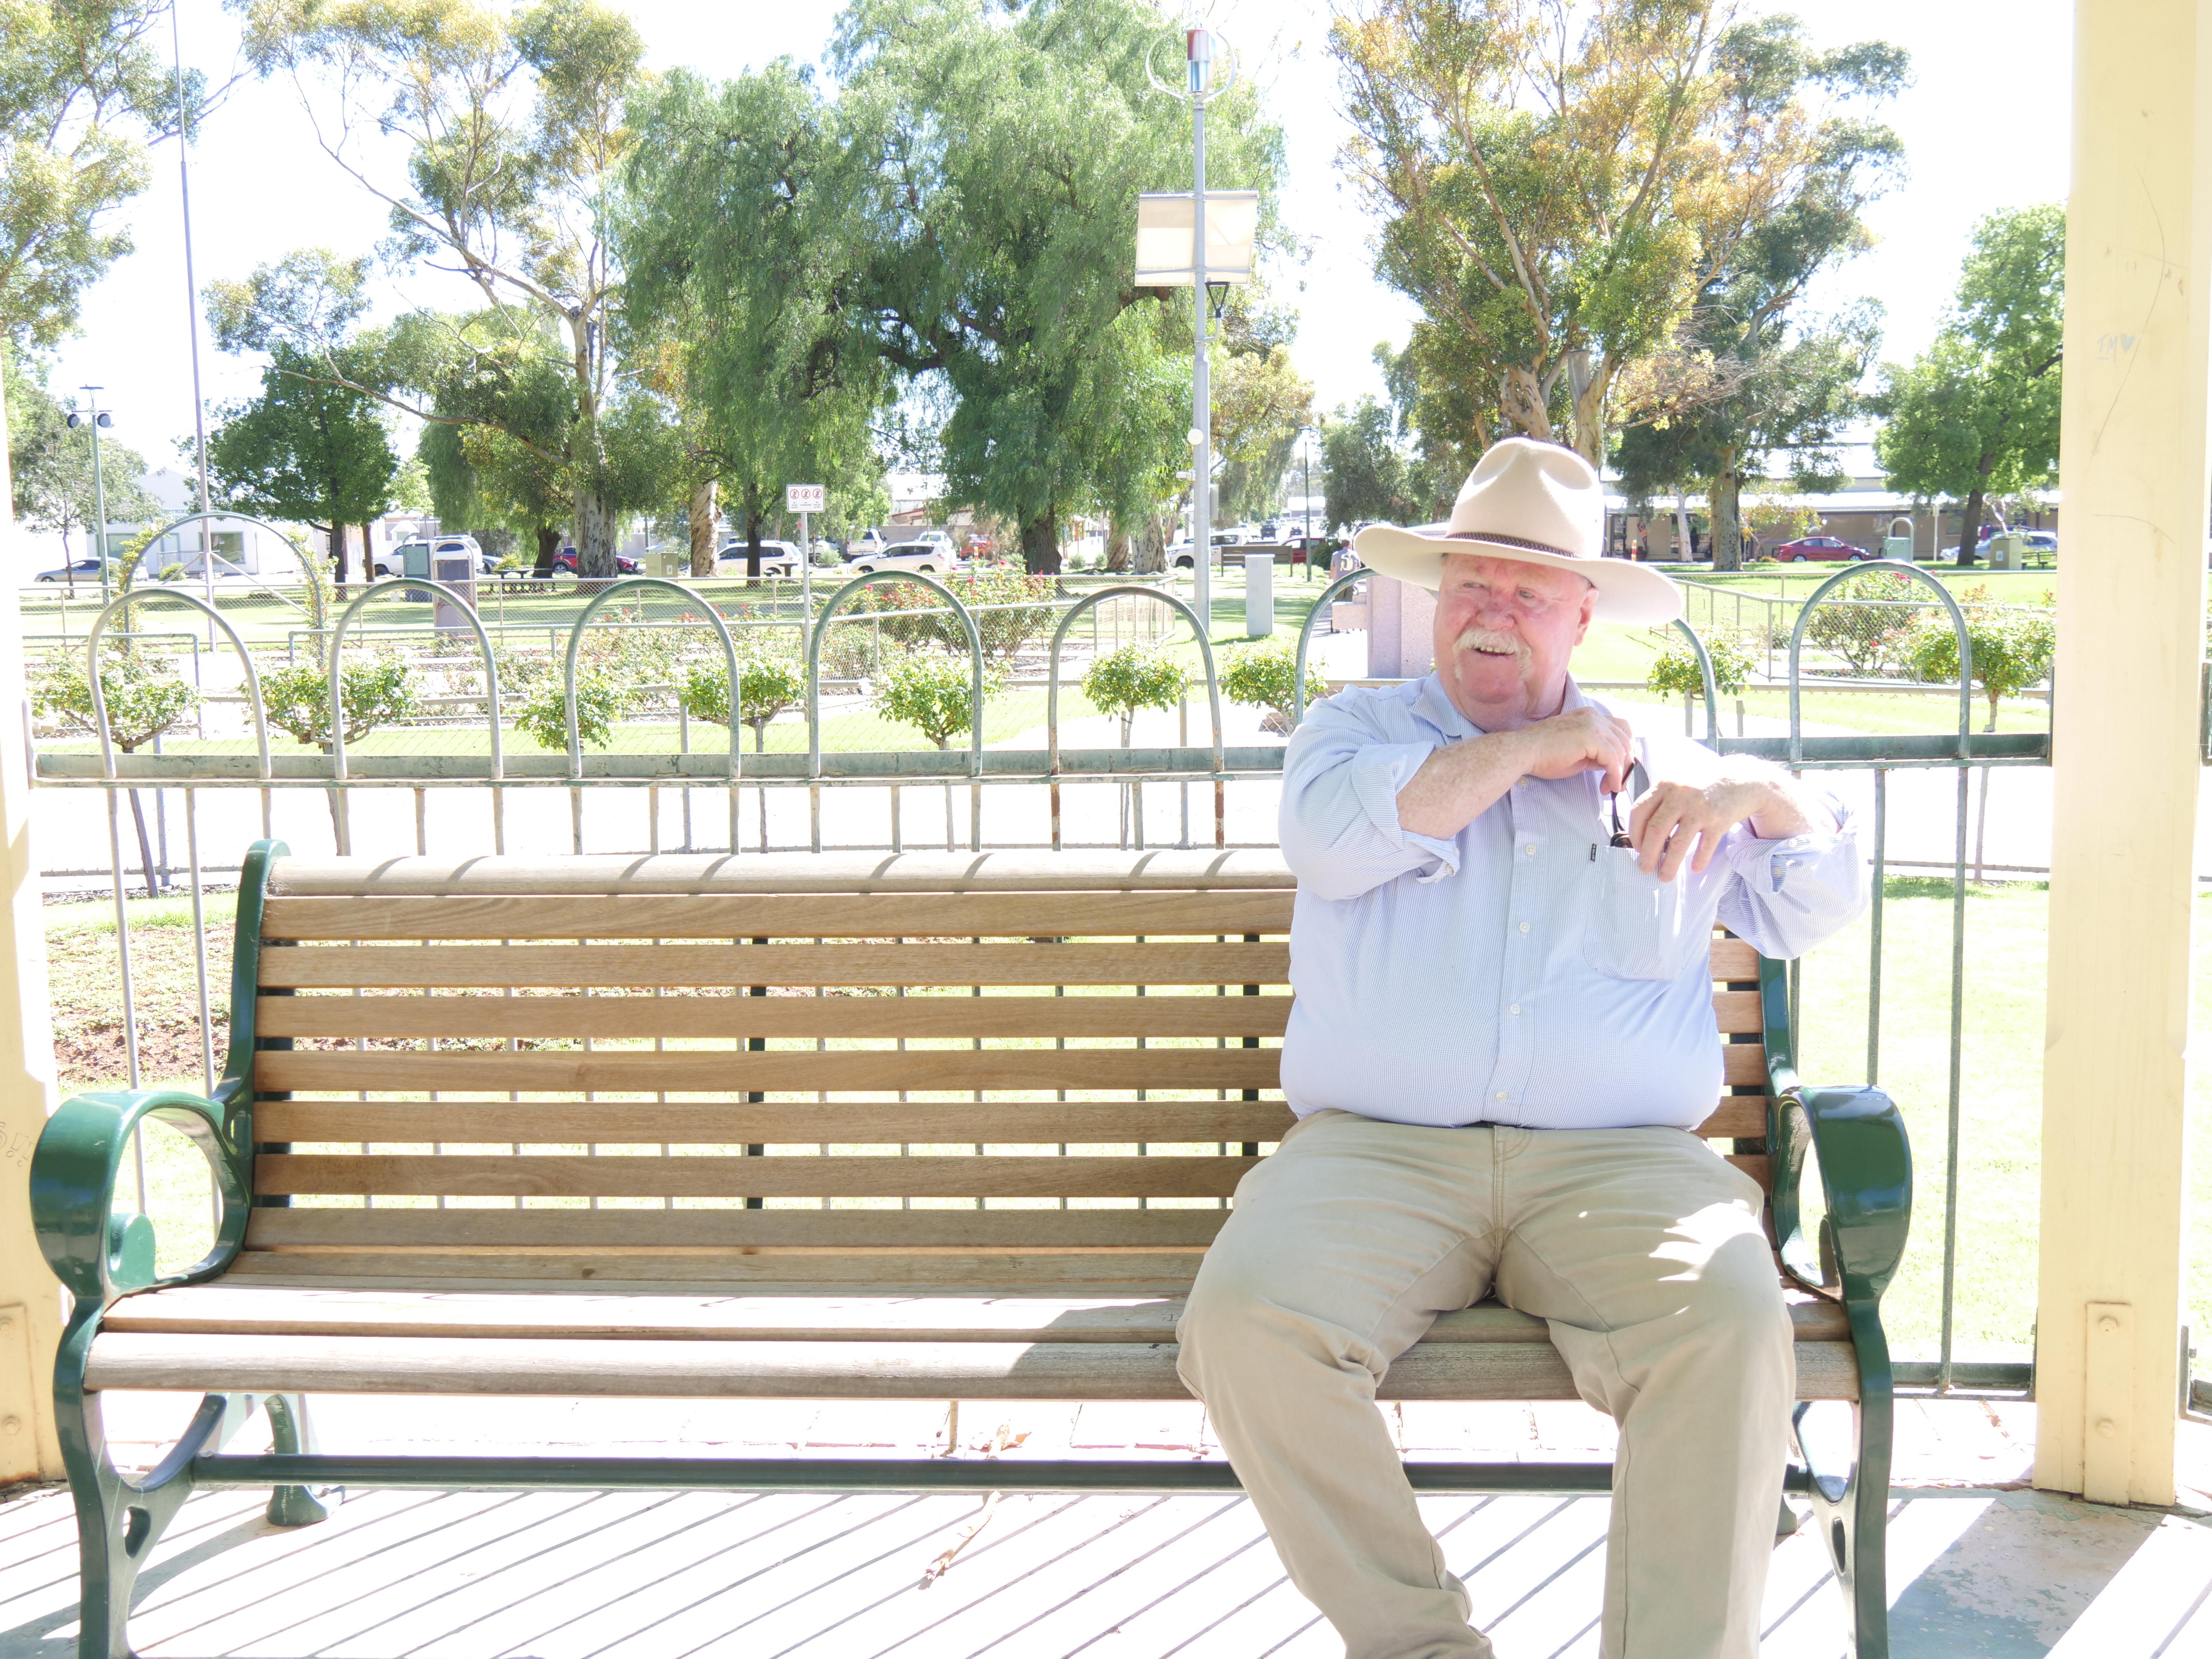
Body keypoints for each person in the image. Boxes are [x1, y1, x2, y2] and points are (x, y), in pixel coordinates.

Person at [1176, 438, 1865, 1659]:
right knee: (1245, 1323)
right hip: (1376, 1160)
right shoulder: (1351, 732)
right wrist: (1527, 756)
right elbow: (1334, 844)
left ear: (1582, 615)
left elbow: (1810, 908)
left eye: (1529, 591)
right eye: (1471, 584)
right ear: (1436, 600)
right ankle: (1427, 1648)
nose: (1493, 611)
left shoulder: (1675, 772)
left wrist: (1754, 789)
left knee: (1726, 1324)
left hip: (1622, 1169)